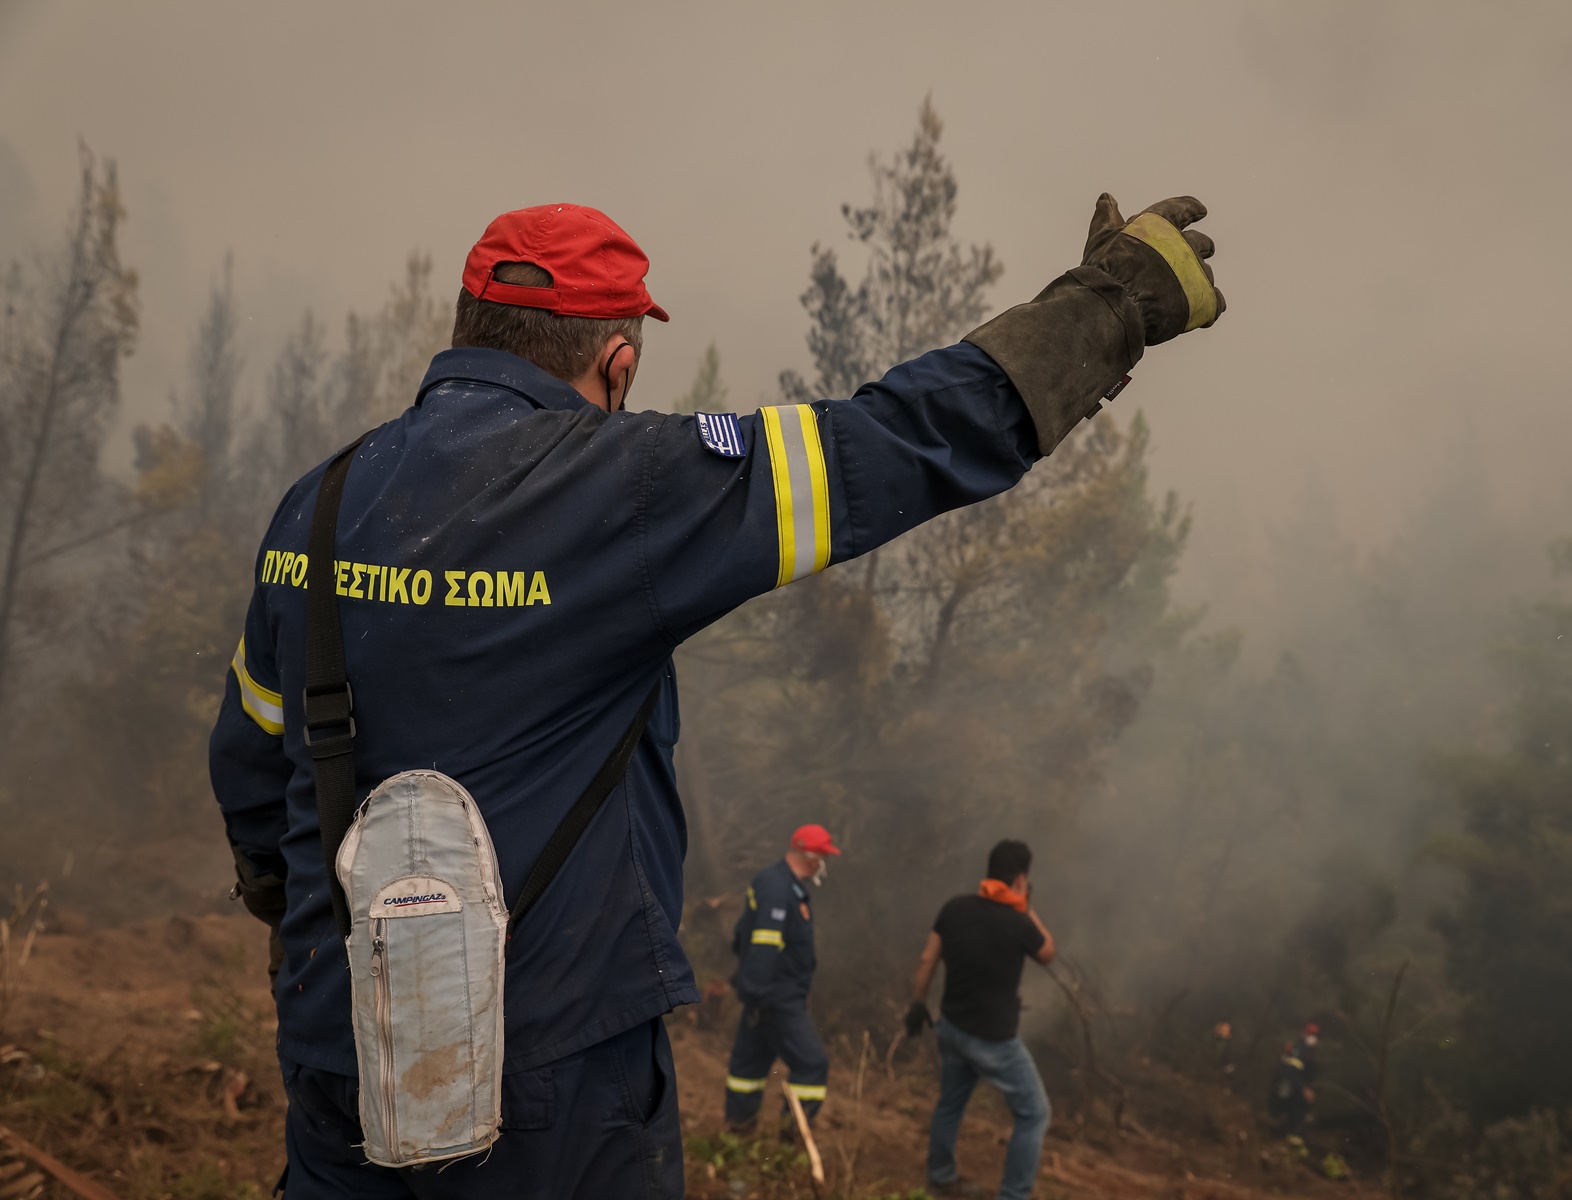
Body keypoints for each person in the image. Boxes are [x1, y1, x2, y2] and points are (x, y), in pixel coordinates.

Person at [209, 194, 1225, 1198]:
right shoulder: (623, 488)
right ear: (618, 362)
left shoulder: (319, 502)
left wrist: (307, 922)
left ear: (474, 330)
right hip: (548, 1073)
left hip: (342, 1046)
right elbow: (884, 445)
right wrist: (1103, 309)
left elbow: (255, 757)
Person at [906, 840, 1056, 1200]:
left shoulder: (955, 908)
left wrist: (916, 1004)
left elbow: (928, 960)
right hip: (994, 1041)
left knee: (950, 1103)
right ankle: (1014, 1195)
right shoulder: (1020, 922)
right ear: (1021, 879)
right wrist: (1026, 907)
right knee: (1035, 1114)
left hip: (952, 1027)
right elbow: (1048, 953)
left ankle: (941, 1178)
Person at [723, 823, 839, 1134]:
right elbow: (762, 944)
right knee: (813, 1064)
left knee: (747, 1070)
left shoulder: (784, 886)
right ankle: (791, 1142)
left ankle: (738, 1136)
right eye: (823, 857)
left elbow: (740, 938)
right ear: (811, 856)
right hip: (776, 997)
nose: (823, 864)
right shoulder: (777, 888)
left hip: (767, 995)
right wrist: (760, 994)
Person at [1268, 1023, 1322, 1138]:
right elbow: (1288, 1071)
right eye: (1311, 1034)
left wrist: (1312, 1088)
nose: (1313, 1037)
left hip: (1301, 1091)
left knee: (1300, 1116)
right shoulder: (1297, 1049)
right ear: (1305, 1033)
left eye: (1315, 1035)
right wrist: (1303, 1088)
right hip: (1290, 1089)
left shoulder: (1311, 1053)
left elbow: (1311, 1074)